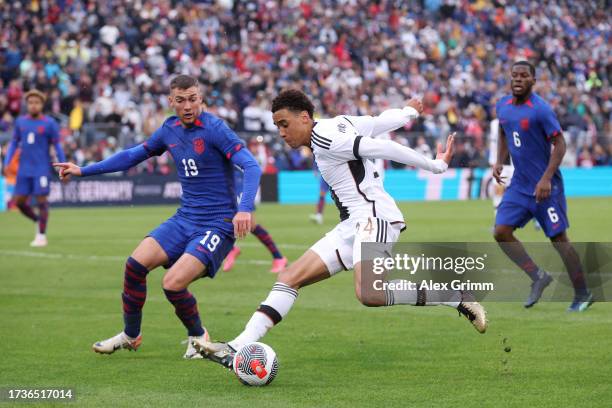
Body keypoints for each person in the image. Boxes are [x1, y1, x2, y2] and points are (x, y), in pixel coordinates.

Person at [193, 89, 487, 368]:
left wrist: (435, 166)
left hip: (374, 217)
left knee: (370, 293)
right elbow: (378, 123)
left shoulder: (326, 139)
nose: (281, 133)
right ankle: (237, 346)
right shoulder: (340, 123)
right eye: (277, 126)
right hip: (351, 225)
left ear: (305, 117)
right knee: (290, 277)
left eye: (285, 124)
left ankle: (454, 295)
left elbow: (383, 145)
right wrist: (408, 112)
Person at [53, 75, 262, 358]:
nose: (187, 106)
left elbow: (251, 166)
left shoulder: (215, 129)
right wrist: (84, 169)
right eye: (180, 100)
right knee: (134, 266)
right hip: (184, 218)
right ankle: (130, 334)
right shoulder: (169, 129)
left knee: (173, 284)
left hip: (217, 222)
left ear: (201, 98)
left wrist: (244, 208)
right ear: (170, 101)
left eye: (192, 98)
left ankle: (199, 337)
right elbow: (132, 156)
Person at [492, 61, 593, 312]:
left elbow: (560, 145)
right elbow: (504, 132)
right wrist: (499, 160)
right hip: (519, 186)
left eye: (524, 76)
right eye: (514, 75)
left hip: (546, 188)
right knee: (501, 232)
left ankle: (583, 294)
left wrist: (547, 178)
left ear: (533, 81)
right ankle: (538, 276)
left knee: (559, 240)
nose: (518, 79)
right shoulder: (502, 106)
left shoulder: (540, 110)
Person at [3, 89, 66, 247]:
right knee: (19, 202)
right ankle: (38, 221)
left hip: (41, 169)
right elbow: (13, 144)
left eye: (36, 103)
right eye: (30, 103)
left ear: (42, 104)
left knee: (41, 200)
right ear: (27, 104)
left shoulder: (49, 123)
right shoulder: (20, 122)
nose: (33, 105)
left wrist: (63, 165)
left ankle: (41, 235)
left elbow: (57, 146)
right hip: (24, 170)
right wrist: (6, 163)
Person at [222, 166, 288, 273]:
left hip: (237, 180)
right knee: (220, 218)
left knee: (250, 224)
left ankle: (279, 258)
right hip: (222, 181)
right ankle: (231, 249)